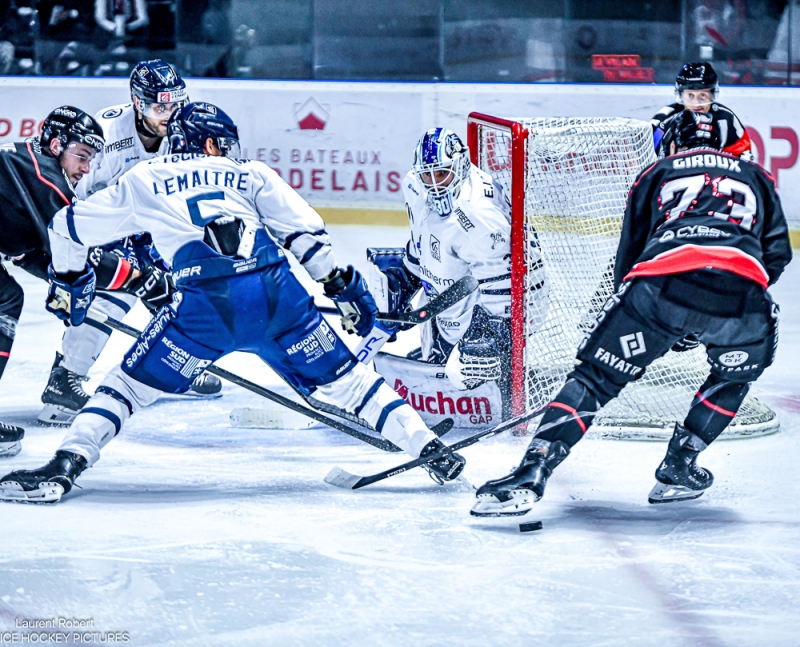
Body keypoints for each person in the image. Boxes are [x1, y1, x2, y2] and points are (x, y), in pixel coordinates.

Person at [0, 102, 466, 503]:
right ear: (208, 145)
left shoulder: (144, 177)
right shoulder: (251, 172)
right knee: (351, 383)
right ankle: (430, 450)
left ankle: (64, 467)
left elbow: (65, 227)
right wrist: (342, 288)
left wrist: (70, 280)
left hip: (203, 311)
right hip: (279, 298)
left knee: (125, 389)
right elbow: (306, 238)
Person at [471, 109, 791, 516]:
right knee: (733, 377)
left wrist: (663, 319)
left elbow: (628, 261)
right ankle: (681, 462)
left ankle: (533, 470)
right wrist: (716, 307)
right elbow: (777, 255)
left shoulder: (655, 172)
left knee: (593, 378)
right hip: (743, 299)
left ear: (672, 143)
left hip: (659, 288)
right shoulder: (757, 176)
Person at [38, 58, 221, 427]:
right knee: (118, 290)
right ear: (138, 103)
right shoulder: (106, 131)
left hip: (148, 224)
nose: (169, 114)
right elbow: (73, 200)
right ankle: (65, 377)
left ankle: (178, 360)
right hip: (100, 225)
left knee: (184, 279)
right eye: (159, 106)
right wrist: (93, 254)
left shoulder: (183, 130)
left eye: (175, 104)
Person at [371, 128, 547, 422]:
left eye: (442, 174)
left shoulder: (477, 214)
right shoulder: (414, 186)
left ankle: (504, 394)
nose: (435, 184)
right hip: (453, 293)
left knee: (466, 374)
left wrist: (489, 338)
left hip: (504, 300)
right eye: (428, 175)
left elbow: (504, 285)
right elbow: (423, 235)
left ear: (461, 166)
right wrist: (407, 277)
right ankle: (443, 351)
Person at [0, 106, 104, 457]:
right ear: (57, 144)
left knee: (7, 296)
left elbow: (25, 250)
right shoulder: (46, 178)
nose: (86, 169)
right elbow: (72, 252)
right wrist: (138, 278)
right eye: (82, 156)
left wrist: (62, 282)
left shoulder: (27, 165)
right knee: (5, 299)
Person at [651, 62, 752, 159]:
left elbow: (744, 161)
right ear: (681, 96)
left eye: (702, 95)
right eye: (690, 96)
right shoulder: (664, 119)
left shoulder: (727, 119)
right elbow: (644, 161)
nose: (696, 103)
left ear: (712, 95)